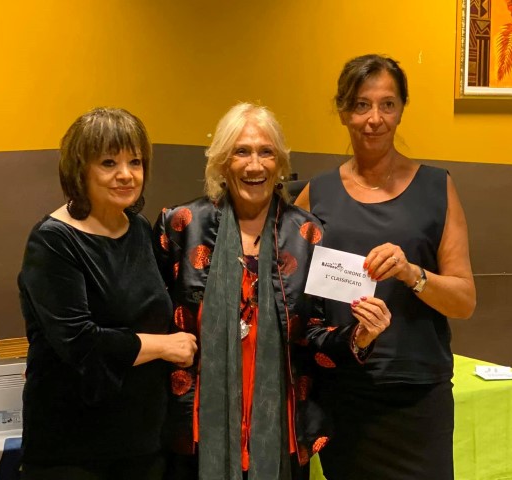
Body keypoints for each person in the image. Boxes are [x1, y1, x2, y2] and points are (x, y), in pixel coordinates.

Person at [153, 103, 390, 480]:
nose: (254, 165)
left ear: (279, 163)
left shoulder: (308, 234)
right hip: (197, 426)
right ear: (222, 162)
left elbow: (313, 333)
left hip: (281, 425)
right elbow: (157, 320)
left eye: (266, 152)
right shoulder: (182, 224)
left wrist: (361, 336)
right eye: (241, 152)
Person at [295, 54, 476, 479]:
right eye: (361, 105)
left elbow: (464, 301)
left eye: (387, 104)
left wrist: (412, 273)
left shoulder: (437, 188)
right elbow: (293, 294)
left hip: (418, 391)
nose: (374, 119)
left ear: (401, 110)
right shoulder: (314, 195)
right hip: (343, 390)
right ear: (343, 111)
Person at [17, 107, 198, 480]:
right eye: (109, 163)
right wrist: (164, 346)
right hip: (73, 449)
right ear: (79, 170)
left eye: (135, 162)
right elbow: (79, 344)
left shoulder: (138, 228)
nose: (126, 174)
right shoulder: (53, 241)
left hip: (143, 442)